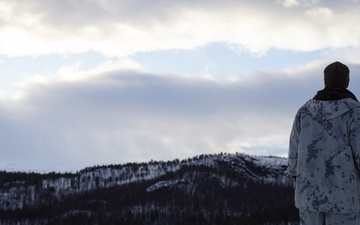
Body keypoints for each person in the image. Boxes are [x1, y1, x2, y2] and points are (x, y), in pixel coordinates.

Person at [288, 61, 360, 225]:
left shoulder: (304, 112)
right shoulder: (355, 112)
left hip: (309, 199)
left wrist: (302, 181)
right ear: (347, 81)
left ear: (325, 80)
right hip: (345, 199)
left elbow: (293, 158)